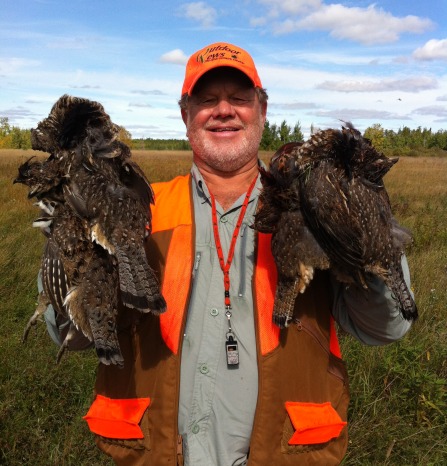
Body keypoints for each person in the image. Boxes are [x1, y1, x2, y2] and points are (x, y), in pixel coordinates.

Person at [46, 42, 413, 466]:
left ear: (262, 110)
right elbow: (69, 335)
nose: (224, 110)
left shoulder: (311, 206)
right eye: (207, 100)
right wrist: (68, 230)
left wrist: (365, 234)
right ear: (186, 116)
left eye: (239, 98)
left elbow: (386, 327)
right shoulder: (140, 210)